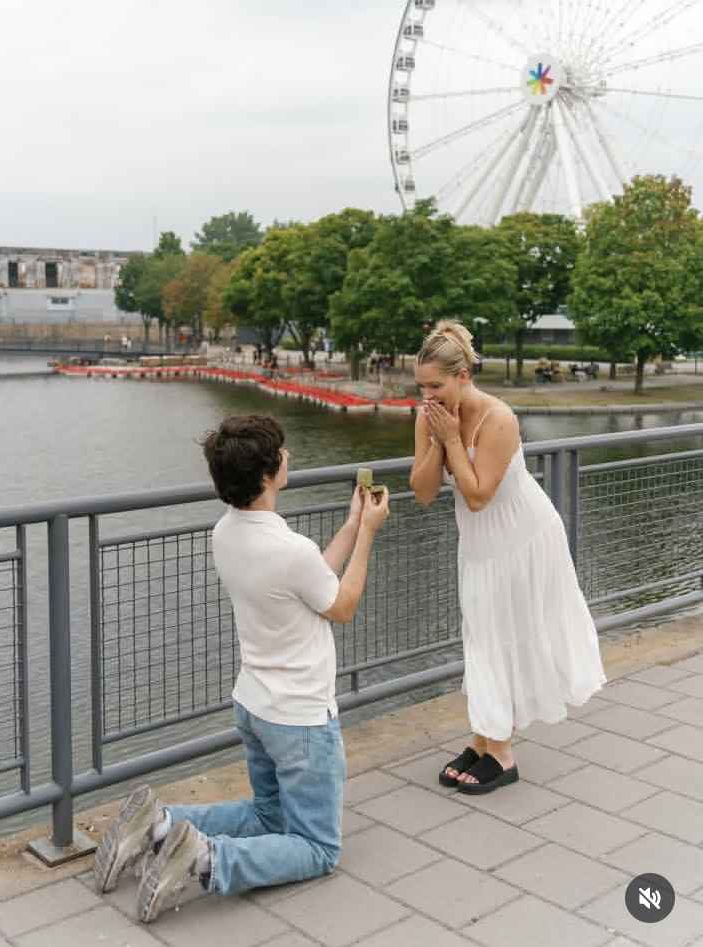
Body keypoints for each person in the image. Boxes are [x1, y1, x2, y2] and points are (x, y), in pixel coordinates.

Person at [94, 415, 390, 922]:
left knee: (268, 815)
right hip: (299, 719)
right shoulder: (289, 550)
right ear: (270, 471)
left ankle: (159, 827)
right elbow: (339, 605)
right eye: (284, 451)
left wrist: (349, 525)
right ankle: (208, 859)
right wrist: (368, 535)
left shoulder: (225, 533)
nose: (289, 455)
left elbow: (309, 579)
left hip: (254, 705)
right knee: (317, 847)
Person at [410, 320, 606, 794]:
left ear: (463, 376)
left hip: (523, 539)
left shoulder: (498, 418)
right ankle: (483, 738)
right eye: (421, 387)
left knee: (504, 637)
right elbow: (423, 491)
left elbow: (478, 495)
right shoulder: (430, 416)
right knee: (481, 638)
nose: (428, 395)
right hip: (479, 545)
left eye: (436, 385)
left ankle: (501, 751)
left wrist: (455, 439)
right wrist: (438, 438)